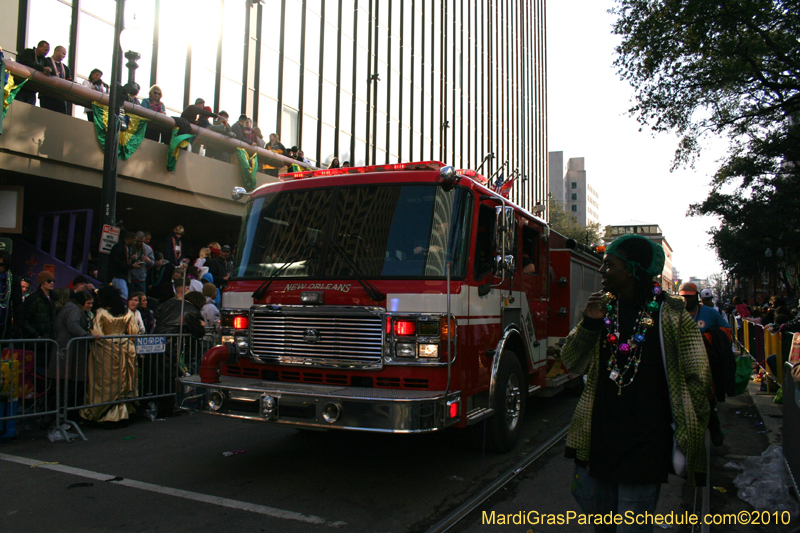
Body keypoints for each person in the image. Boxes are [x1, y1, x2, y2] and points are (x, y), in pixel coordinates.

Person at [562, 234, 710, 530]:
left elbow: (699, 378)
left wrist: (684, 427)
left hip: (645, 447)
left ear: (630, 269)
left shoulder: (672, 316)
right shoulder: (604, 310)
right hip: (601, 444)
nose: (602, 271)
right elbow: (571, 362)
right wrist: (589, 324)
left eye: (609, 265)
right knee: (600, 523)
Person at [680, 282, 733, 446]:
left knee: (706, 399)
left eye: (689, 297)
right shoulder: (675, 314)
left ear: (696, 297)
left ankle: (715, 431)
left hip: (705, 364)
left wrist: (708, 338)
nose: (686, 300)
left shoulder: (709, 313)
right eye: (683, 297)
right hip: (682, 364)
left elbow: (727, 332)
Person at [80, 286, 138, 428]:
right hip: (124, 350)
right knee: (121, 382)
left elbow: (97, 333)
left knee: (103, 382)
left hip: (105, 351)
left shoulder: (101, 313)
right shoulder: (127, 312)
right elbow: (134, 332)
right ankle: (121, 412)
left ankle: (99, 412)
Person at [51, 291, 99, 417]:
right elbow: (73, 325)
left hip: (67, 350)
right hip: (69, 351)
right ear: (80, 302)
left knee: (64, 385)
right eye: (88, 303)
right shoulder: (74, 310)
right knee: (66, 385)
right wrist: (87, 336)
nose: (90, 306)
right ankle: (63, 416)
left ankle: (62, 415)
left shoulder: (70, 308)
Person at [22, 271, 57, 341]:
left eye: (53, 281)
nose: (52, 283)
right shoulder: (33, 299)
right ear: (42, 282)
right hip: (35, 340)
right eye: (49, 281)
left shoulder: (54, 298)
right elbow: (24, 320)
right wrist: (36, 335)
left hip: (49, 340)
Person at [16, 40, 52, 105]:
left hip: (32, 90)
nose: (46, 52)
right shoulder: (28, 52)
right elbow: (27, 63)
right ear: (39, 47)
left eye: (48, 51)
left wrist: (49, 70)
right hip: (21, 86)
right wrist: (42, 68)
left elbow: (51, 69)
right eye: (45, 50)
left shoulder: (44, 60)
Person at [39, 45, 71, 113]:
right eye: (63, 53)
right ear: (57, 51)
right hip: (47, 94)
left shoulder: (65, 68)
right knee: (46, 115)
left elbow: (69, 80)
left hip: (60, 96)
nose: (64, 56)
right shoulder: (46, 61)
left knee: (60, 117)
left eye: (65, 54)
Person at [109, 231, 141, 300]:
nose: (135, 243)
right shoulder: (119, 247)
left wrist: (131, 259)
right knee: (123, 296)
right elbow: (118, 263)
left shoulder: (127, 248)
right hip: (118, 276)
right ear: (130, 239)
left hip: (124, 276)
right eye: (134, 241)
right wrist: (132, 266)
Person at [0, 250, 23, 339]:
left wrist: (17, 326)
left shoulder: (13, 280)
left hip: (4, 322)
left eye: (1, 264)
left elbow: (17, 305)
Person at [130, 231, 154, 295]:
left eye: (141, 242)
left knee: (141, 297)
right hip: (131, 277)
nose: (139, 243)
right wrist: (131, 258)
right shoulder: (130, 247)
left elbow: (152, 264)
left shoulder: (148, 249)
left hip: (141, 278)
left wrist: (148, 260)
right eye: (138, 241)